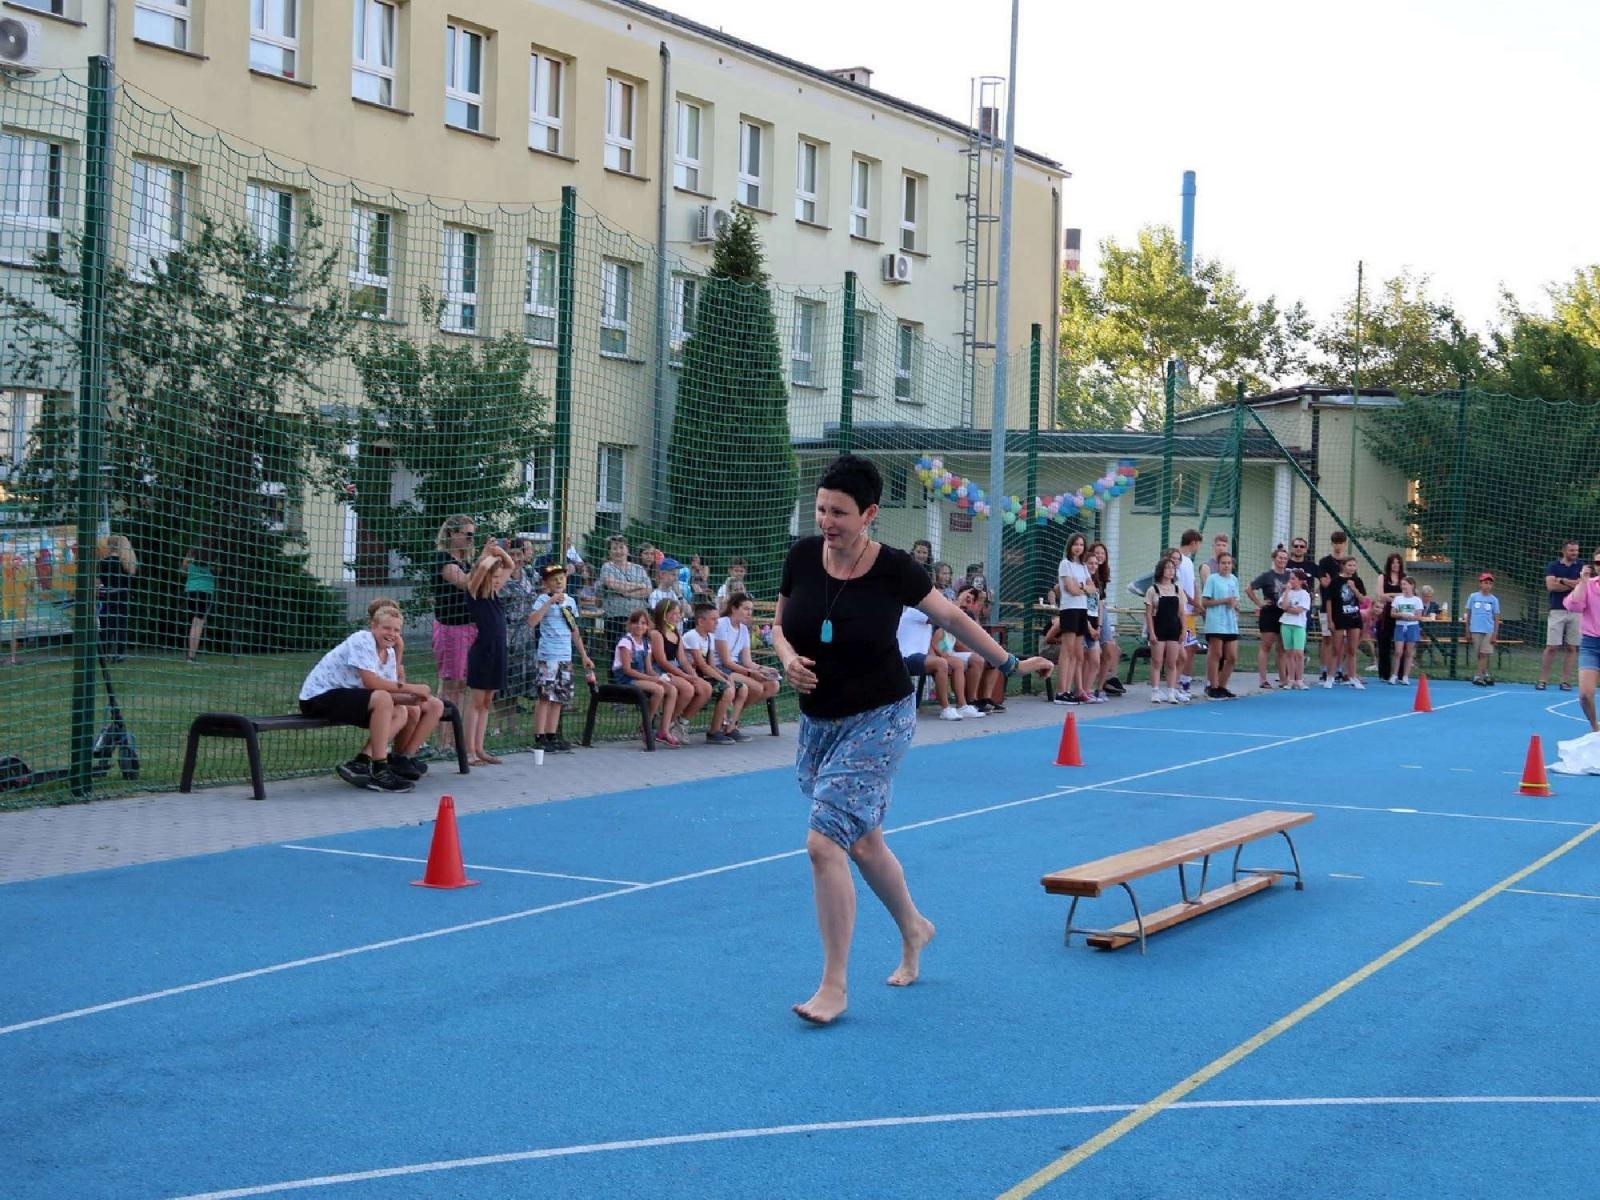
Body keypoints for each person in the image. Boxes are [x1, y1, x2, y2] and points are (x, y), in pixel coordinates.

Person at [770, 453, 1050, 1025]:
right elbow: (777, 625)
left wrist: (1010, 662)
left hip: (880, 717)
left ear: (869, 513)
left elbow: (952, 619)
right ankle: (915, 928)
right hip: (819, 720)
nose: (827, 521)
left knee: (824, 842)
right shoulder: (801, 556)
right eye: (822, 509)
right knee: (864, 841)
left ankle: (833, 986)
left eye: (840, 512)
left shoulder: (894, 569)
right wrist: (787, 661)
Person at [298, 602, 443, 792]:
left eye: (396, 630)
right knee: (383, 698)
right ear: (373, 627)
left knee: (402, 709)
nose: (391, 633)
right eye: (386, 628)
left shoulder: (389, 653)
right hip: (317, 698)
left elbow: (391, 691)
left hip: (347, 697)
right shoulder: (362, 639)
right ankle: (379, 768)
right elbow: (372, 683)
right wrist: (412, 688)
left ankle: (371, 761)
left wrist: (412, 699)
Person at [527, 562, 595, 755]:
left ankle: (551, 735)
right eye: (554, 579)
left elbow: (574, 630)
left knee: (559, 697)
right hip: (548, 655)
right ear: (546, 583)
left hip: (565, 656)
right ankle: (539, 737)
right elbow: (532, 621)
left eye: (561, 578)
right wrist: (550, 602)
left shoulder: (570, 602)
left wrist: (583, 655)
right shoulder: (542, 599)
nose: (558, 582)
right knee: (545, 697)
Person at [461, 543, 516, 765]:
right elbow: (482, 570)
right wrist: (487, 555)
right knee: (475, 702)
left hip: (498, 652)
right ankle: (468, 751)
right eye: (494, 577)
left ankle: (480, 748)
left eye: (498, 578)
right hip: (482, 652)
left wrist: (499, 552)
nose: (497, 581)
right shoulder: (474, 593)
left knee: (487, 701)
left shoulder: (494, 595)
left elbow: (510, 565)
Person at [429, 515, 478, 747]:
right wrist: (487, 560)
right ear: (452, 534)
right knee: (451, 684)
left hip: (470, 627)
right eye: (467, 534)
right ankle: (444, 742)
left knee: (465, 683)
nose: (471, 539)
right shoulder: (442, 559)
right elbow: (467, 583)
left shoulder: (468, 562)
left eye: (473, 535)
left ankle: (458, 740)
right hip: (451, 628)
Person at [713, 593, 781, 737]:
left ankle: (732, 721)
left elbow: (747, 661)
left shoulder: (744, 629)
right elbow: (726, 661)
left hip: (735, 666)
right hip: (721, 668)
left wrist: (764, 669)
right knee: (756, 687)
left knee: (773, 685)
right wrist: (750, 673)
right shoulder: (722, 624)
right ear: (733, 609)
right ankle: (730, 723)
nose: (749, 613)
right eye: (745, 609)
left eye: (751, 609)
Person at [682, 600, 748, 744]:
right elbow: (702, 665)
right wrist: (724, 681)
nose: (717, 623)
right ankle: (713, 731)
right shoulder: (692, 636)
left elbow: (711, 664)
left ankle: (730, 727)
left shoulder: (710, 637)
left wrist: (725, 676)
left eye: (717, 619)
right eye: (713, 619)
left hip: (706, 675)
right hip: (692, 676)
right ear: (700, 621)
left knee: (742, 688)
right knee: (728, 689)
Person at [613, 608, 678, 746]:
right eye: (635, 622)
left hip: (640, 677)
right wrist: (653, 680)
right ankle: (646, 725)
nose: (639, 626)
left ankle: (664, 730)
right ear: (630, 624)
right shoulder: (626, 642)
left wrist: (661, 676)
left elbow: (649, 669)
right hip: (626, 679)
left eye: (643, 623)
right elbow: (627, 670)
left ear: (647, 626)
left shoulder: (646, 644)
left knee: (671, 689)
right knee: (658, 690)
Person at [650, 597, 710, 741]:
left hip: (675, 669)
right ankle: (666, 723)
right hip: (661, 671)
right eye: (676, 613)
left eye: (679, 613)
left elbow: (682, 659)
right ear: (665, 614)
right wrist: (684, 676)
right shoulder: (656, 634)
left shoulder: (676, 632)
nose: (679, 617)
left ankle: (679, 722)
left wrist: (693, 674)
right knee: (688, 689)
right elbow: (662, 662)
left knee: (705, 688)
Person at [500, 538, 541, 717]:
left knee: (517, 678)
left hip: (526, 635)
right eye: (512, 554)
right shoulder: (501, 576)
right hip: (506, 633)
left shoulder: (531, 575)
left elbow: (544, 588)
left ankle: (512, 723)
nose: (516, 558)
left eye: (519, 554)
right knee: (503, 679)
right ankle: (498, 725)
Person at [1539, 540, 1583, 691]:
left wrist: (1562, 580)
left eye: (1576, 550)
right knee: (1552, 646)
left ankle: (1565, 681)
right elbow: (1551, 586)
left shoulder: (1582, 566)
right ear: (1564, 551)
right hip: (1557, 609)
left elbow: (1583, 585)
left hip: (1577, 611)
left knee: (1572, 647)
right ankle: (1543, 680)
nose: (1575, 553)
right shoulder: (1553, 566)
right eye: (1571, 550)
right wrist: (1573, 584)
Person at [1052, 532, 1091, 704]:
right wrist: (1082, 588)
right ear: (1070, 546)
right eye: (1075, 544)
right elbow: (1071, 589)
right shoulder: (1065, 564)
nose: (1078, 547)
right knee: (1067, 651)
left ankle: (1068, 689)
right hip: (1069, 609)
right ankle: (1061, 691)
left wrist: (1081, 586)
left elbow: (1093, 587)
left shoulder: (1083, 566)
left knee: (1077, 652)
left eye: (1081, 545)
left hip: (1082, 609)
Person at [1144, 552, 1188, 703]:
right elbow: (1148, 614)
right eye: (1167, 567)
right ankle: (1155, 691)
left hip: (1173, 628)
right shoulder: (1153, 590)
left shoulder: (1178, 590)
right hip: (1159, 627)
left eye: (1172, 568)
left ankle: (1171, 691)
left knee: (1172, 662)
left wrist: (1183, 630)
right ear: (1161, 570)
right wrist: (1151, 632)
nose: (1170, 570)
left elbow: (1182, 613)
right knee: (1157, 661)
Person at [1564, 553, 1600, 731]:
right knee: (1585, 695)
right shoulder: (1589, 586)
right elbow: (1573, 605)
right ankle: (1595, 727)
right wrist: (1583, 581)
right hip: (1591, 644)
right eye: (1598, 562)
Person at [1246, 546, 1290, 689]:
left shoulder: (1289, 575)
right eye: (1280, 558)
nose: (1282, 560)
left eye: (1285, 558)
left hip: (1285, 614)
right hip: (1269, 613)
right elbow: (1249, 588)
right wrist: (1259, 603)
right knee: (1266, 646)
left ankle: (1284, 679)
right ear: (1274, 559)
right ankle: (1263, 679)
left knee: (1282, 648)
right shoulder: (1267, 576)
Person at [598, 535, 651, 648]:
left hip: (638, 617)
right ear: (609, 552)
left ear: (627, 550)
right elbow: (612, 584)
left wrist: (626, 593)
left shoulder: (639, 569)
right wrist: (638, 586)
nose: (618, 551)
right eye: (615, 548)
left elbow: (648, 589)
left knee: (638, 649)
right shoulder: (607, 567)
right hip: (616, 616)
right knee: (618, 650)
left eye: (621, 547)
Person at [1201, 551, 1241, 699]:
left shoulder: (1234, 580)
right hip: (1216, 622)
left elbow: (1236, 598)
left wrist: (1234, 604)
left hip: (1230, 622)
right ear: (1218, 565)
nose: (1226, 566)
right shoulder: (1213, 579)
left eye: (1229, 563)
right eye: (1223, 563)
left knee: (1232, 656)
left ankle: (1223, 686)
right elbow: (1205, 602)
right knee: (1216, 654)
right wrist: (1223, 601)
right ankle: (1213, 686)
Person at [1325, 555, 1367, 689]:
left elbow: (1362, 600)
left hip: (1354, 617)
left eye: (1354, 565)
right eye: (1349, 565)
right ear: (1343, 566)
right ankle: (1330, 677)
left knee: (1352, 649)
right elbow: (1329, 601)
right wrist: (1330, 620)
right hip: (1339, 618)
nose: (1352, 568)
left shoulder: (1357, 580)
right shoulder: (1336, 581)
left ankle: (1352, 676)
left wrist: (1354, 588)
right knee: (1336, 649)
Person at [97, 535, 137, 661]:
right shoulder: (128, 564)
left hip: (107, 596)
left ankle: (105, 653)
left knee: (106, 625)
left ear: (109, 546)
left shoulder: (102, 563)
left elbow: (98, 583)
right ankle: (120, 653)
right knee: (121, 625)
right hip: (123, 596)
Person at [1317, 530, 1350, 682]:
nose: (1338, 545)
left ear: (1345, 544)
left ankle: (1339, 668)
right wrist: (1334, 582)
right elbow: (1324, 583)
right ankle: (1324, 668)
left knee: (1341, 640)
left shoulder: (1348, 562)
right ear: (1332, 543)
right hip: (1327, 605)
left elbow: (1349, 583)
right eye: (1336, 542)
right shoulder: (1324, 562)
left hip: (1343, 607)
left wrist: (1334, 582)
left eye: (1341, 542)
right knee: (1327, 638)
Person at [1175, 529, 1203, 694]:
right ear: (1193, 542)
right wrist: (1192, 602)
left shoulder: (1189, 562)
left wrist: (1196, 604)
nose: (1198, 547)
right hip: (1181, 611)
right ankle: (1177, 683)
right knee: (1182, 649)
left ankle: (1186, 682)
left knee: (1191, 648)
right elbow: (1180, 587)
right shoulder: (1177, 559)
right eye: (1198, 543)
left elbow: (1193, 584)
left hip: (1190, 612)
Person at [181, 543, 215, 665]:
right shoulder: (211, 559)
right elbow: (219, 570)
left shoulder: (190, 557)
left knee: (193, 622)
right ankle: (191, 656)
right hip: (205, 591)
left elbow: (183, 570)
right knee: (198, 624)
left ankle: (190, 653)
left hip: (191, 590)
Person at [1278, 569, 1312, 689]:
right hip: (1286, 624)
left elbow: (1299, 610)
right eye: (1290, 578)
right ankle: (1291, 679)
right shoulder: (1287, 593)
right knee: (1289, 653)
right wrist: (1287, 591)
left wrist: (1289, 609)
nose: (1291, 581)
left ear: (1300, 581)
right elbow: (1283, 606)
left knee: (1299, 653)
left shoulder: (1304, 594)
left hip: (1298, 625)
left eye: (1293, 578)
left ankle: (1300, 679)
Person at [1374, 552, 1405, 682]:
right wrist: (1396, 595)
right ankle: (1384, 674)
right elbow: (1380, 595)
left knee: (1400, 645)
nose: (1395, 565)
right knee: (1384, 644)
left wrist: (1390, 595)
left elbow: (1407, 594)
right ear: (1389, 564)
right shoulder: (1382, 577)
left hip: (1400, 613)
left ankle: (1400, 673)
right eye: (1393, 562)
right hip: (1385, 614)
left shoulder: (1404, 577)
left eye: (1398, 562)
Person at [1467, 571, 1501, 686]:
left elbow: (1496, 618)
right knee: (1479, 654)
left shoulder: (1494, 600)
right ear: (1480, 584)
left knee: (1484, 653)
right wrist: (1467, 630)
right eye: (1485, 583)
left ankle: (1478, 676)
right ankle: (1486, 674)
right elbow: (1469, 614)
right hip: (1475, 629)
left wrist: (1495, 634)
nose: (1487, 585)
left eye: (1489, 583)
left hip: (1488, 630)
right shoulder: (1473, 597)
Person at [1389, 575, 1424, 685]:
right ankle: (1394, 675)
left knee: (1409, 652)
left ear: (1412, 586)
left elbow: (1418, 616)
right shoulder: (1398, 599)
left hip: (1412, 627)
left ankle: (1405, 676)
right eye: (1402, 584)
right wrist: (1401, 615)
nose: (1403, 586)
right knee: (1398, 652)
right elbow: (1392, 613)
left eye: (1405, 584)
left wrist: (1410, 617)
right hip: (1400, 626)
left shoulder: (1417, 600)